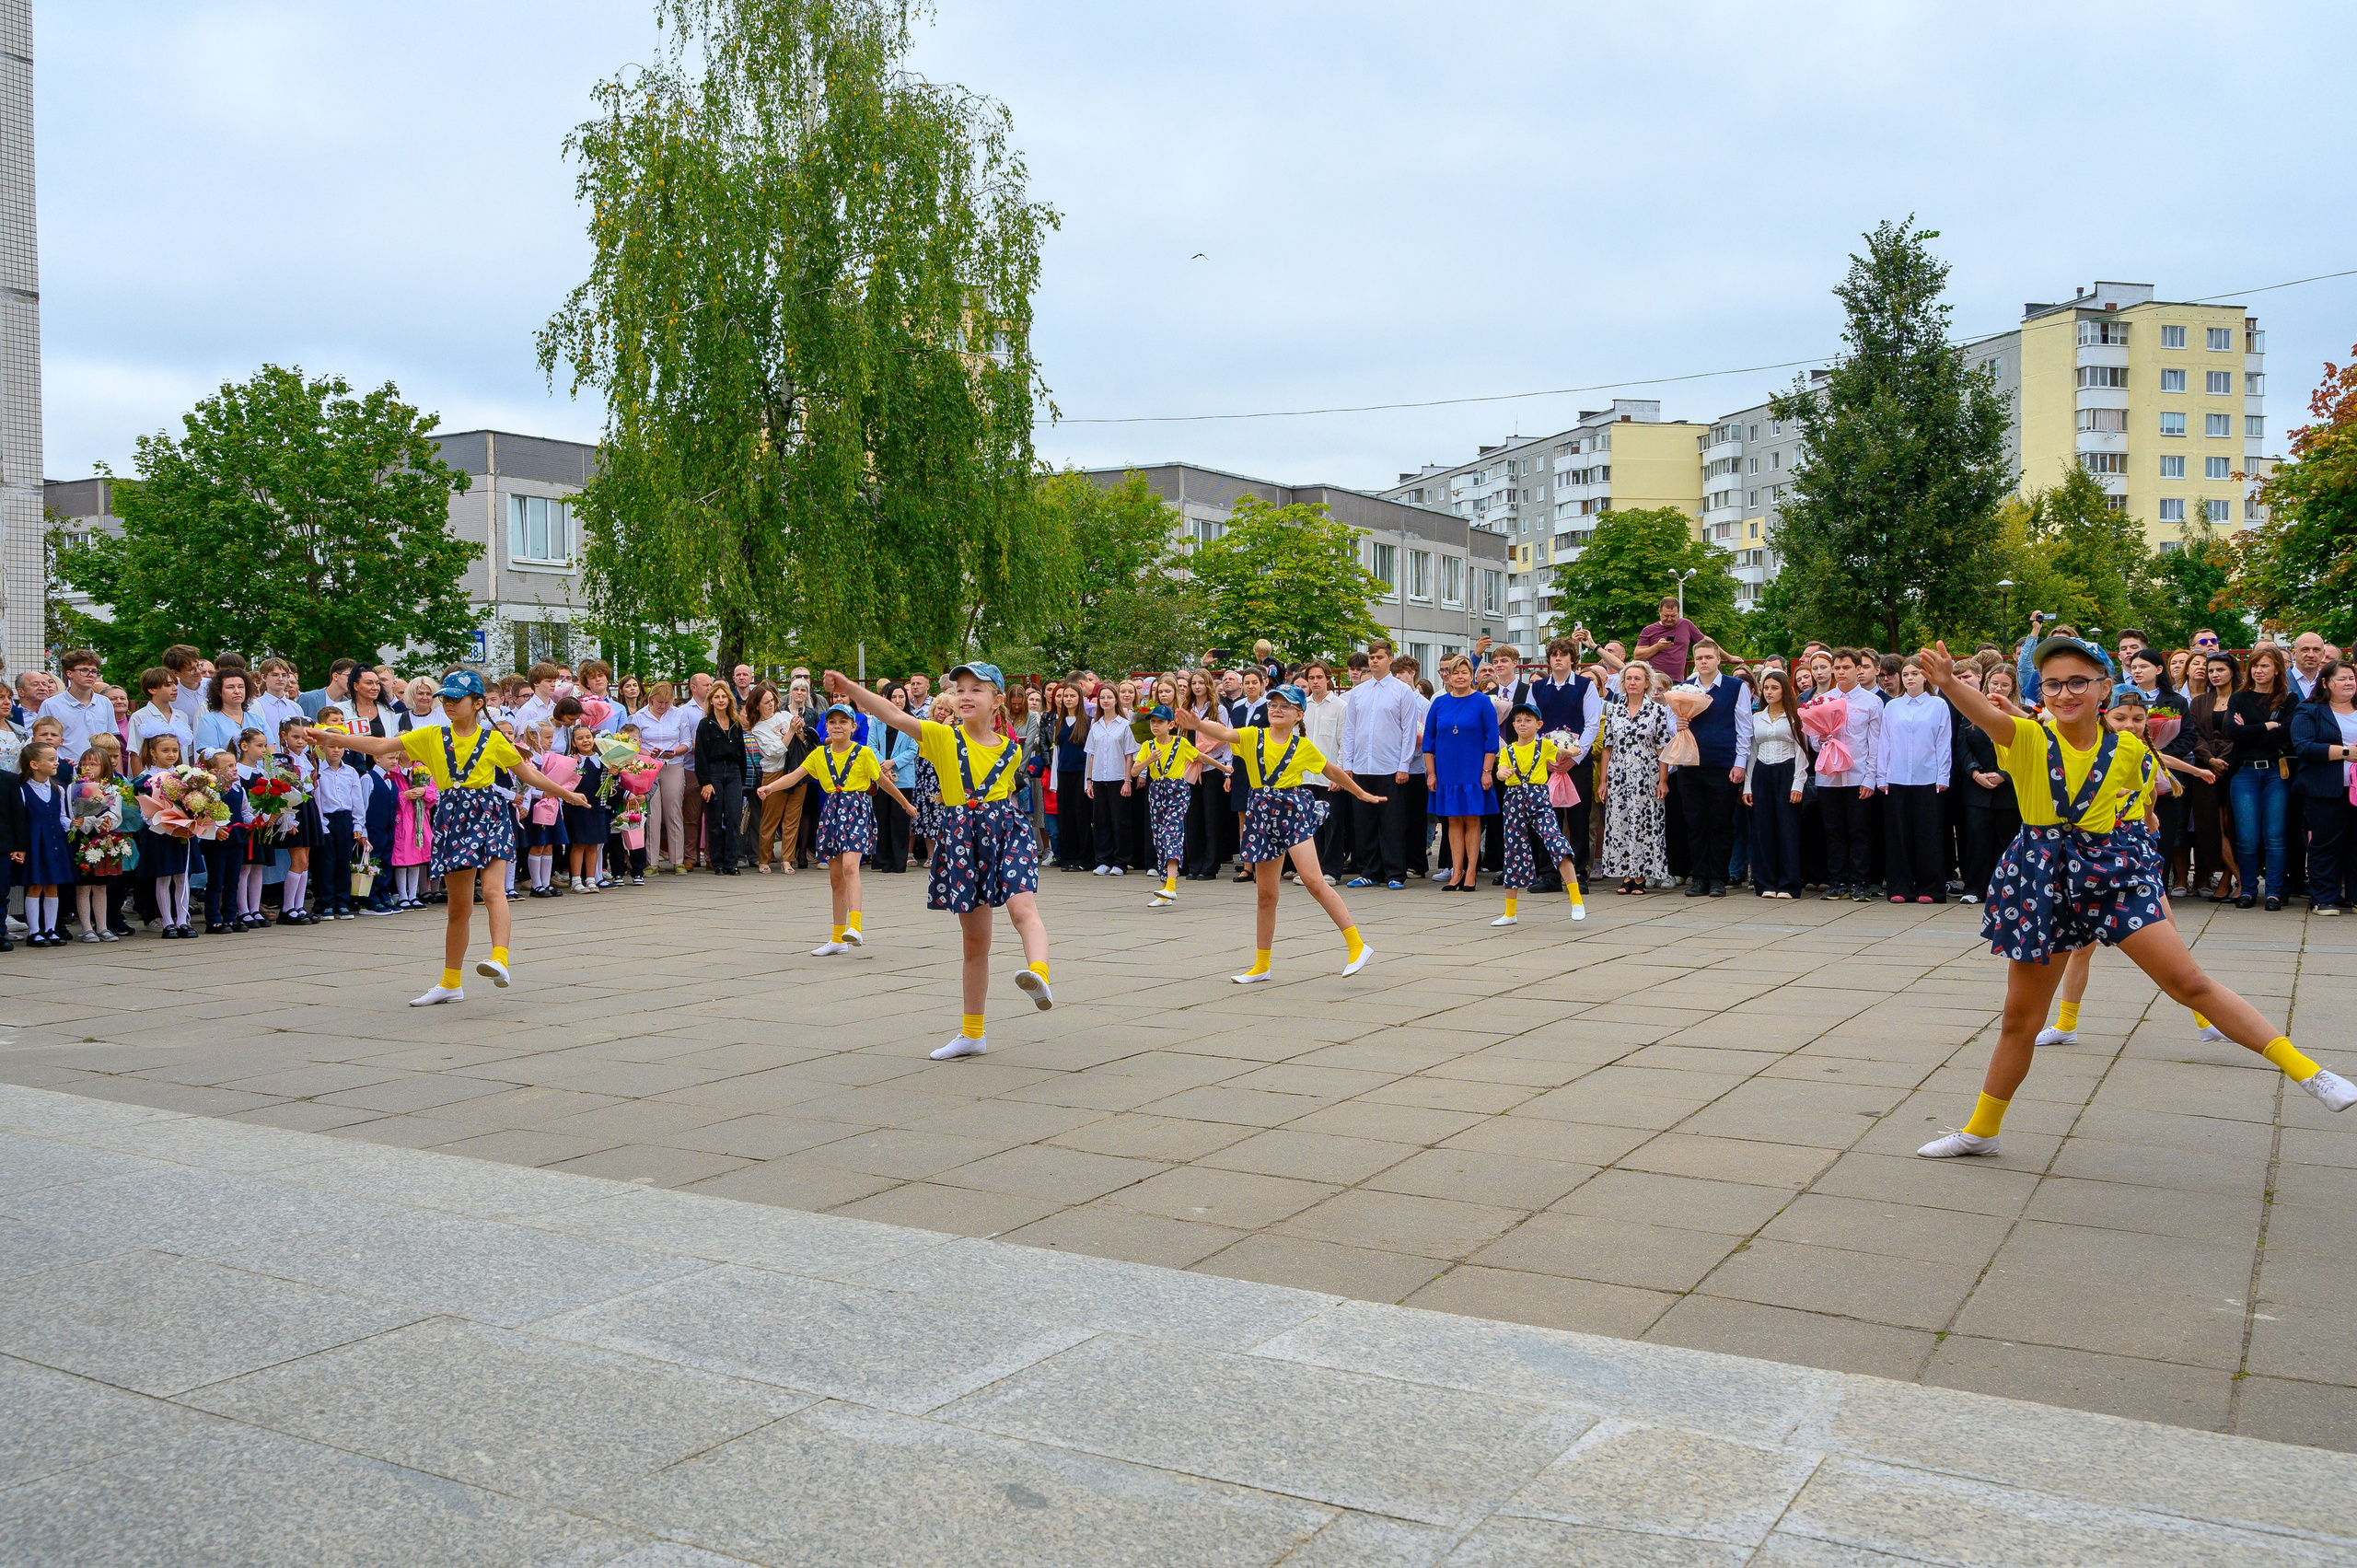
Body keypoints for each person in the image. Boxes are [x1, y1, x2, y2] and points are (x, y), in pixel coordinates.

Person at [1915, 634, 2355, 1160]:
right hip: (2042, 877)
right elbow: (1991, 718)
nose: (2065, 692)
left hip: (2109, 874)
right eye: (2054, 683)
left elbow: (2144, 797)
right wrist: (1946, 684)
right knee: (2019, 1020)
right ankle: (1981, 1130)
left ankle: (2311, 1073)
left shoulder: (2126, 748)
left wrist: (2141, 824)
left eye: (2079, 680)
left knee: (2188, 981)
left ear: (2104, 687)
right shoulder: (2030, 739)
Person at [308, 670, 586, 1006]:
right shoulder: (430, 735)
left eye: (458, 698)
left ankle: (500, 958)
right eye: (447, 698)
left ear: (478, 703)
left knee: (494, 890)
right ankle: (451, 982)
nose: (450, 704)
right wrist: (331, 739)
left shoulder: (494, 740)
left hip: (489, 813)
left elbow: (530, 775)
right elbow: (380, 745)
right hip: (452, 816)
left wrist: (567, 795)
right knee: (458, 908)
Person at [825, 664, 1059, 1062]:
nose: (966, 695)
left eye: (978, 690)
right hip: (963, 839)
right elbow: (892, 714)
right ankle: (972, 1033)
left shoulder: (1012, 748)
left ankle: (1039, 973)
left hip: (1005, 831)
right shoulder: (941, 737)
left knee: (1023, 908)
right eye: (960, 689)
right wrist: (850, 690)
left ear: (998, 701)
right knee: (974, 942)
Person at [1177, 683, 1387, 984]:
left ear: (1299, 714)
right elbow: (1224, 733)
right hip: (1261, 813)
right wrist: (1198, 724)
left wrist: (1361, 794)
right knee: (1266, 895)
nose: (1277, 709)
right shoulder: (1253, 736)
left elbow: (1332, 771)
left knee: (1314, 881)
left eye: (1285, 706)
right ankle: (1262, 964)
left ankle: (1357, 945)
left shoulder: (1303, 747)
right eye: (1273, 704)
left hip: (1292, 812)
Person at [756, 703, 912, 957]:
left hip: (857, 809)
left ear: (854, 726)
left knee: (851, 867)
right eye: (832, 722)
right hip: (832, 812)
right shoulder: (819, 754)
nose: (837, 726)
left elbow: (882, 781)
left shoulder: (863, 754)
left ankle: (856, 926)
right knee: (835, 877)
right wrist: (770, 788)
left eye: (843, 721)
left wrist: (905, 804)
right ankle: (838, 938)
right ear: (826, 726)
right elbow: (795, 775)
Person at [1491, 702, 1585, 926]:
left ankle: (1577, 900)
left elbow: (1562, 752)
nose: (1523, 724)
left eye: (1528, 720)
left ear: (1538, 724)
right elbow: (1500, 772)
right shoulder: (1507, 751)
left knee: (1556, 842)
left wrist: (1573, 750)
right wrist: (1503, 772)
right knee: (1513, 850)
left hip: (1539, 799)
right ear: (1513, 725)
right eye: (1519, 721)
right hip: (1514, 799)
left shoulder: (1544, 746)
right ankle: (1510, 912)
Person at [1340, 641, 1422, 891]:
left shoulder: (1402, 691)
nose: (1374, 661)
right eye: (1371, 657)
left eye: (1379, 657)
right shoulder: (1359, 692)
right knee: (1364, 822)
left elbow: (1409, 730)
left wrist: (1404, 765)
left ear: (1389, 660)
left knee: (1392, 822)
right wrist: (1347, 764)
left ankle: (1395, 872)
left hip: (1390, 766)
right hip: (1363, 766)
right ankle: (1369, 871)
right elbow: (1350, 729)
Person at [1674, 640, 1751, 899]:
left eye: (1708, 657)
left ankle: (1719, 877)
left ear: (1718, 659)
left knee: (1721, 823)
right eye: (1699, 658)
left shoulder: (1735, 687)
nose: (1703, 662)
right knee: (1695, 823)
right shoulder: (1684, 688)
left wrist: (1740, 763)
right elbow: (1669, 722)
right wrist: (1679, 722)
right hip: (1690, 763)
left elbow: (1744, 727)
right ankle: (1700, 877)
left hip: (1722, 764)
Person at [1876, 658, 1954, 904]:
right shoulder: (1893, 707)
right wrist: (1882, 775)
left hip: (1928, 777)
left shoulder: (1938, 705)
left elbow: (1943, 743)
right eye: (1906, 674)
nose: (1910, 678)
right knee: (1898, 835)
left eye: (1915, 674)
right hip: (1896, 777)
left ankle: (1931, 887)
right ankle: (1901, 886)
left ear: (1925, 677)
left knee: (1928, 835)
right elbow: (1885, 742)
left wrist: (1943, 775)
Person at [2226, 646, 2296, 910]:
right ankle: (2248, 890)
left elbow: (2286, 734)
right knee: (2246, 837)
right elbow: (2233, 733)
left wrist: (2251, 730)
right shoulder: (2239, 698)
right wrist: (2267, 726)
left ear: (2277, 669)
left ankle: (2274, 892)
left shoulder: (2288, 700)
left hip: (2275, 772)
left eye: (2264, 666)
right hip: (2244, 772)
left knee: (2275, 835)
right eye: (2254, 666)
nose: (2258, 671)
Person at [1810, 648, 1883, 900]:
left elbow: (1875, 744)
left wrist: (1870, 778)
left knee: (1859, 830)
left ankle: (1860, 880)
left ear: (1858, 669)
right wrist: (1820, 739)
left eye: (1847, 668)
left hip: (1858, 774)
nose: (1841, 672)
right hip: (1829, 776)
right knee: (1833, 831)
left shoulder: (1871, 702)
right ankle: (1837, 880)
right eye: (1837, 668)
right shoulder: (1824, 700)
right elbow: (1813, 740)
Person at [1422, 655, 1497, 893]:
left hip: (1473, 769)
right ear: (1449, 677)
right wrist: (1431, 773)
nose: (1460, 677)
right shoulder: (1439, 703)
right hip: (1447, 771)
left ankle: (1472, 872)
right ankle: (1457, 871)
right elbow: (1428, 742)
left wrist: (1487, 771)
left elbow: (1491, 741)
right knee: (1452, 821)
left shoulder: (1483, 702)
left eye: (1464, 672)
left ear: (1471, 675)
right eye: (1455, 673)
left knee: (1472, 819)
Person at [1597, 663, 1674, 894]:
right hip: (1618, 773)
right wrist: (1603, 781)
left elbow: (1662, 748)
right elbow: (1607, 747)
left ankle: (1640, 875)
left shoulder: (1657, 711)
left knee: (1643, 824)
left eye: (1637, 679)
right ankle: (1627, 874)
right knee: (1620, 823)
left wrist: (1663, 780)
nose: (1632, 682)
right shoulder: (1614, 710)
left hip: (1646, 774)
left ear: (1647, 683)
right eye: (1629, 678)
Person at [2292, 659, 2357, 914]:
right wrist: (2344, 752)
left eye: (2351, 678)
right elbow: (2304, 747)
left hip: (2355, 791)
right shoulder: (2310, 710)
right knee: (2326, 844)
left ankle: (2353, 896)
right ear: (2326, 684)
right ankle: (2323, 898)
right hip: (2325, 789)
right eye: (2342, 679)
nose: (2348, 683)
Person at [1745, 669, 1807, 900]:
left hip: (1787, 771)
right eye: (1766, 688)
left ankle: (1789, 883)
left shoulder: (1795, 717)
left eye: (1774, 688)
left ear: (1784, 690)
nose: (1769, 692)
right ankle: (1765, 882)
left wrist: (1797, 784)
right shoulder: (1756, 717)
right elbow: (1752, 753)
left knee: (1787, 829)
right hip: (1762, 772)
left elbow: (1802, 751)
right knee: (1763, 830)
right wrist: (1748, 786)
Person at [1134, 704, 1205, 904]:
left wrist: (1224, 767)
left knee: (1171, 834)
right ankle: (1165, 888)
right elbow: (1133, 771)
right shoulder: (1148, 746)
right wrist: (1150, 759)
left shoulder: (1180, 742)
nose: (1155, 725)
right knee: (1159, 838)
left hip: (1177, 791)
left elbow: (1199, 756)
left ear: (1171, 724)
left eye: (1160, 722)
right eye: (1153, 722)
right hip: (1156, 792)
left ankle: (1171, 886)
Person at [633, 681, 697, 873]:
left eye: (667, 703)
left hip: (673, 764)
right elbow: (634, 742)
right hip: (648, 765)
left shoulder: (679, 714)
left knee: (674, 810)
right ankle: (652, 862)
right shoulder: (639, 716)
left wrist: (675, 751)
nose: (663, 706)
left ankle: (678, 860)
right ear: (651, 698)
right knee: (652, 812)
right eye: (660, 702)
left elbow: (686, 742)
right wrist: (647, 753)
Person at [15, 742, 69, 946]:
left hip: (55, 840)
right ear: (34, 764)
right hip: (35, 842)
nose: (56, 763)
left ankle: (50, 928)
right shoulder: (22, 790)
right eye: (51, 759)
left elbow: (62, 817)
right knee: (36, 884)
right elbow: (20, 821)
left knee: (52, 885)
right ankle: (34, 931)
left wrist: (73, 824)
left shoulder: (58, 790)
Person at [1083, 684, 1137, 875]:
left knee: (1120, 821)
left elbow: (1129, 754)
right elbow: (1091, 754)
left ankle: (1120, 861)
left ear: (1116, 700)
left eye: (1109, 697)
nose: (1105, 701)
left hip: (1118, 778)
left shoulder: (1125, 725)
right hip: (1098, 778)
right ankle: (1103, 860)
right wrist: (1088, 781)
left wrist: (1127, 780)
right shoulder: (1095, 726)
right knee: (1101, 821)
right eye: (1102, 698)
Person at [694, 682, 747, 875]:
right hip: (714, 773)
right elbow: (700, 754)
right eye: (717, 697)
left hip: (733, 773)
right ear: (711, 701)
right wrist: (705, 782)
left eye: (724, 697)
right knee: (715, 819)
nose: (721, 700)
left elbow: (742, 753)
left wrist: (742, 780)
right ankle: (718, 862)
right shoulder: (705, 724)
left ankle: (731, 862)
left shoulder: (736, 722)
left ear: (729, 700)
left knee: (733, 818)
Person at [39, 649, 114, 766]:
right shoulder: (51, 704)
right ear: (69, 674)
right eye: (84, 670)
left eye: (94, 671)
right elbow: (41, 742)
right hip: (65, 768)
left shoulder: (105, 702)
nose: (90, 675)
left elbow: (112, 742)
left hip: (99, 768)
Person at [1050, 684, 1093, 872]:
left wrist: (1088, 780)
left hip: (1081, 774)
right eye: (1065, 696)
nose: (1067, 699)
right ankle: (1068, 858)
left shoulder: (1088, 722)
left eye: (1072, 696)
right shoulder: (1058, 722)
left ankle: (1084, 858)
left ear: (1079, 699)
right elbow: (1056, 752)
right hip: (1063, 774)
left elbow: (1090, 753)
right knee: (1065, 817)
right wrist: (1054, 781)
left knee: (1081, 816)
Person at [1633, 596, 1701, 682]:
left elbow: (1706, 642)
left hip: (1677, 681)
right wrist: (1657, 647)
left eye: (1673, 616)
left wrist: (1723, 655)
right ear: (1659, 611)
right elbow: (1637, 655)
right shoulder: (1648, 630)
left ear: (1678, 613)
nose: (1669, 619)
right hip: (1654, 680)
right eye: (1666, 615)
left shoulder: (1686, 625)